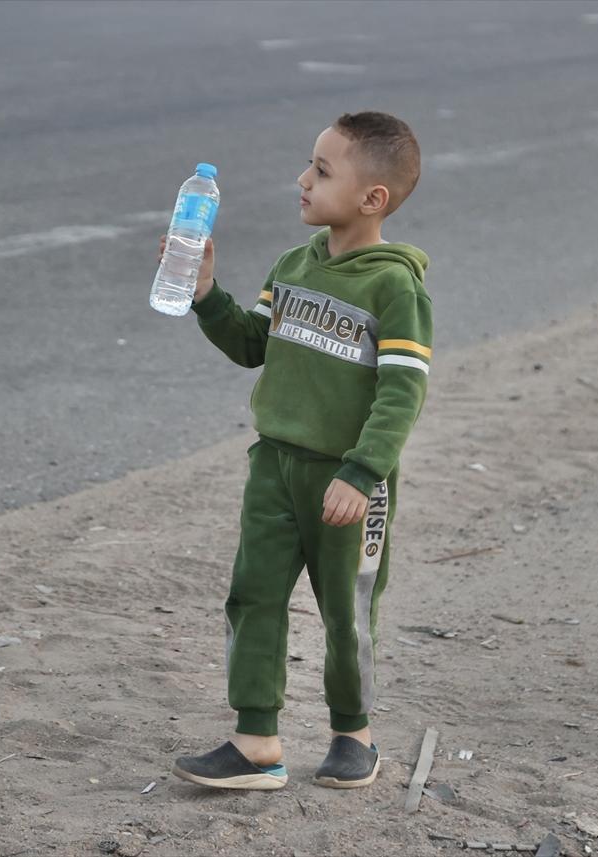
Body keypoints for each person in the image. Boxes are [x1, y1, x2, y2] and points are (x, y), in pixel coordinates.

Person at [169, 111, 431, 789]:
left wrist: (362, 472)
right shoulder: (293, 266)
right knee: (253, 595)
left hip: (348, 482)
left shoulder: (395, 287)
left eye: (321, 170)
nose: (303, 179)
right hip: (274, 467)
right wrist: (206, 295)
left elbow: (402, 392)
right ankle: (256, 740)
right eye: (310, 165)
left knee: (347, 612)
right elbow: (251, 345)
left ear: (372, 198)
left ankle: (354, 734)